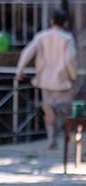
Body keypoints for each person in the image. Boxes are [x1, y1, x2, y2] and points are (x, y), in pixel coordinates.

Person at [16, 9, 78, 150]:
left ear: (51, 21)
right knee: (66, 113)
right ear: (65, 23)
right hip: (63, 82)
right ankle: (69, 141)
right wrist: (73, 75)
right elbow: (69, 59)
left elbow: (27, 53)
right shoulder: (67, 38)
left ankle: (52, 141)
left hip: (45, 81)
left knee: (49, 113)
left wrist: (20, 70)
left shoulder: (41, 36)